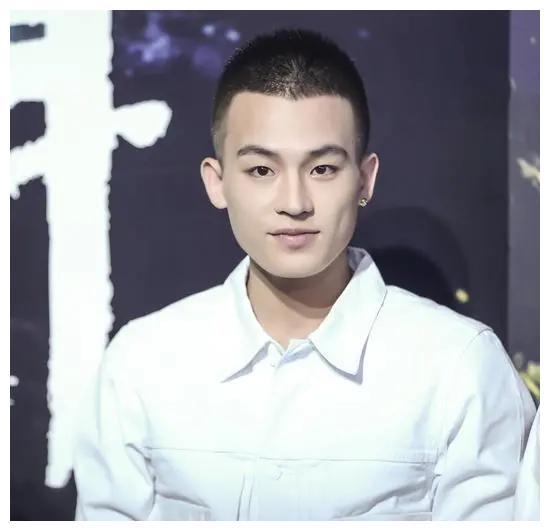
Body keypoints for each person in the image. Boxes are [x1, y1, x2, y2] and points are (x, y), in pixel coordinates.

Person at [73, 27, 536, 521]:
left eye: (322, 169)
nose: (294, 203)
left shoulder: (460, 366)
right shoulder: (141, 363)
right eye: (261, 171)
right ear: (217, 181)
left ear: (365, 179)